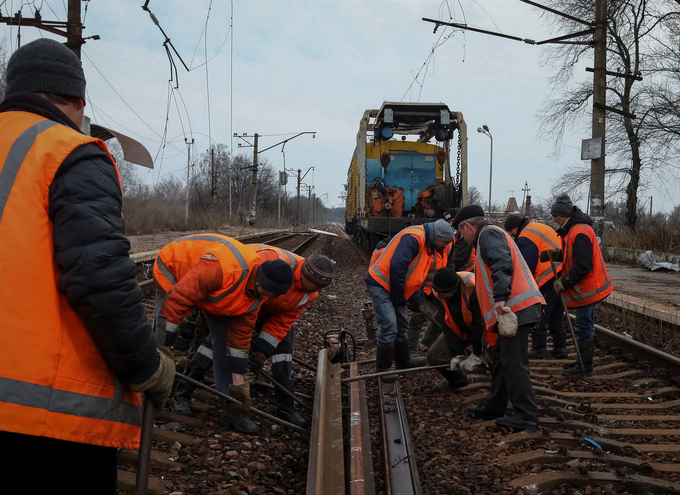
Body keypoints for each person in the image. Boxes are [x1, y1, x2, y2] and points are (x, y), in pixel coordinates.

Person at [0, 39, 174, 494]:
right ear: (78, 102)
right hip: (39, 416)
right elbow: (100, 280)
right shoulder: (68, 150)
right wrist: (146, 368)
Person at [171, 245, 333, 429]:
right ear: (303, 273)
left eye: (319, 287)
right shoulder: (272, 260)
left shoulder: (310, 294)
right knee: (217, 343)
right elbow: (243, 279)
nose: (313, 291)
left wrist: (261, 351)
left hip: (268, 313)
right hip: (244, 303)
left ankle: (285, 407)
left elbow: (283, 320)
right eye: (311, 285)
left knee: (283, 350)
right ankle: (182, 393)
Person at [154, 234, 294, 433]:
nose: (268, 299)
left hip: (214, 289)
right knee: (162, 336)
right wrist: (164, 348)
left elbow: (239, 339)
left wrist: (239, 384)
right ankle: (148, 397)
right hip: (174, 268)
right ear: (259, 281)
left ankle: (232, 409)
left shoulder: (258, 295)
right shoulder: (221, 269)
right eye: (267, 293)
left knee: (221, 340)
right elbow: (177, 300)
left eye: (272, 296)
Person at [453, 205, 544, 431]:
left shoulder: (488, 234)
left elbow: (502, 263)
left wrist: (501, 298)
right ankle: (496, 406)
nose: (461, 237)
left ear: (467, 225)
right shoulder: (488, 235)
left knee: (513, 363)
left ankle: (527, 416)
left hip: (516, 307)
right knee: (501, 361)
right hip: (514, 308)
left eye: (460, 232)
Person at [366, 219, 454, 379]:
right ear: (437, 236)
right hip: (381, 284)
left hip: (395, 286)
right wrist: (399, 298)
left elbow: (418, 275)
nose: (445, 246)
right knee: (389, 325)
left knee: (402, 324)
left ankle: (403, 360)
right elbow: (397, 266)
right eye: (444, 242)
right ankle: (383, 368)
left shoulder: (430, 245)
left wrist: (417, 298)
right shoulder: (414, 237)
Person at [544, 194, 613, 377]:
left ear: (564, 214)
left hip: (589, 287)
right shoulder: (573, 229)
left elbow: (583, 265)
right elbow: (576, 255)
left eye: (556, 215)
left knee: (584, 326)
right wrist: (559, 255)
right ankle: (581, 362)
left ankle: (585, 366)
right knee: (583, 325)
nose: (554, 219)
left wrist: (564, 282)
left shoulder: (579, 231)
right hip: (587, 286)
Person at [505, 214, 567, 359]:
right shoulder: (535, 227)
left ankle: (539, 348)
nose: (512, 236)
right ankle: (560, 347)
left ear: (515, 228)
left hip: (548, 275)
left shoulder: (526, 235)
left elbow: (526, 264)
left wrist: (523, 285)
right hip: (561, 272)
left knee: (541, 312)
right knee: (556, 313)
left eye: (511, 232)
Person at [426, 268, 484, 393]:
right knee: (434, 357)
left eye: (443, 294)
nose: (440, 296)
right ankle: (458, 381)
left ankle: (499, 395)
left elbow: (479, 324)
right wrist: (457, 353)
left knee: (494, 360)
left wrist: (476, 351)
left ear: (454, 289)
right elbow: (447, 324)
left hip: (485, 328)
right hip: (460, 327)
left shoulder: (473, 286)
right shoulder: (438, 292)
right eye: (438, 293)